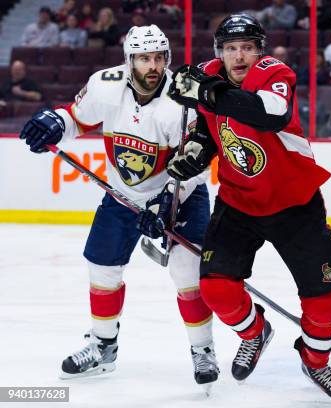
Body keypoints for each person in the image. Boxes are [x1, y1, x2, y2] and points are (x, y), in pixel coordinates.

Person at [17, 25, 219, 390]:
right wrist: (54, 122)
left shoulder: (182, 101)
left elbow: (194, 164)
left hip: (181, 194)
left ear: (168, 59)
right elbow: (76, 119)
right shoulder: (105, 85)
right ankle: (102, 347)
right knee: (102, 267)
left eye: (159, 57)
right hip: (123, 194)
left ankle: (202, 350)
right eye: (144, 58)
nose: (153, 65)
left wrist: (164, 206)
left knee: (187, 271)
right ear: (129, 61)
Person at [164, 14, 331, 401]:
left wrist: (208, 93)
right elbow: (207, 128)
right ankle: (255, 333)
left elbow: (270, 114)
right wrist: (197, 152)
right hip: (238, 201)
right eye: (231, 48)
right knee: (215, 289)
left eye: (248, 47)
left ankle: (315, 362)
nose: (240, 56)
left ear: (259, 52)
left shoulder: (274, 73)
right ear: (220, 52)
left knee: (325, 298)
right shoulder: (207, 75)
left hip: (294, 203)